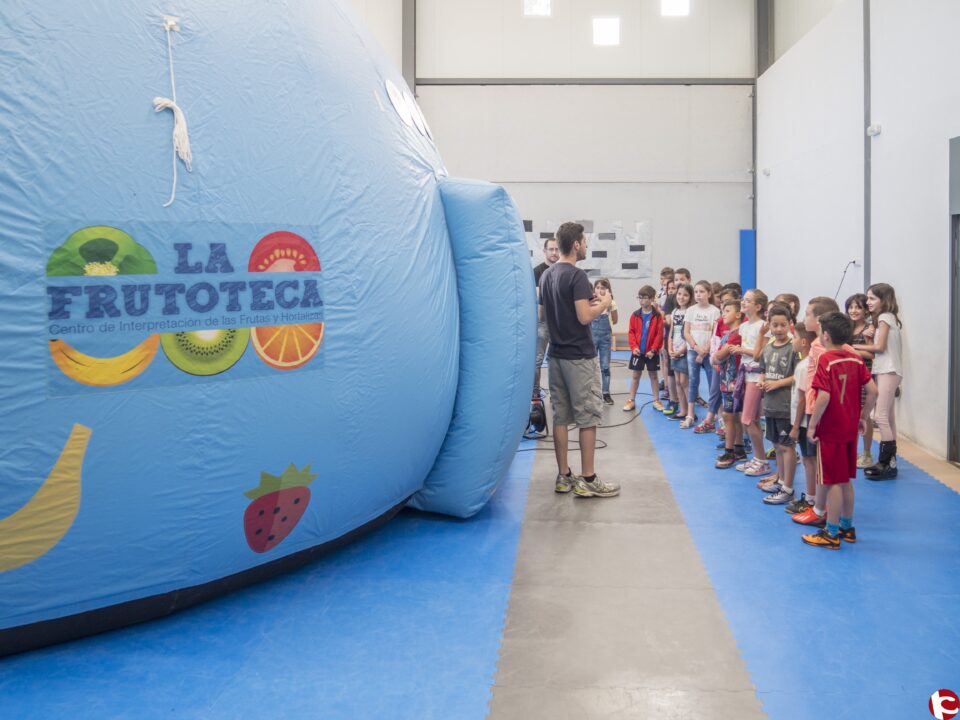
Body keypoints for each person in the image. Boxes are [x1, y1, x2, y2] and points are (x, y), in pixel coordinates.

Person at [539, 222, 620, 498]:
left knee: (561, 416)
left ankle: (564, 476)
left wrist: (590, 303)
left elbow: (542, 316)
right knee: (587, 417)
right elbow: (585, 316)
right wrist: (605, 303)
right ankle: (588, 478)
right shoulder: (576, 277)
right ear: (575, 244)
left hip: (557, 355)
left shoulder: (547, 276)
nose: (586, 246)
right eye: (584, 242)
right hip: (579, 357)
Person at [801, 312, 878, 549]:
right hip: (849, 428)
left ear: (825, 335)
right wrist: (862, 416)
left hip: (831, 429)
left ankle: (831, 533)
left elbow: (823, 396)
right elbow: (873, 391)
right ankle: (847, 527)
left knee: (832, 480)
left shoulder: (826, 359)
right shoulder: (855, 359)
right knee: (845, 480)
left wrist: (813, 424)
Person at [854, 283, 902, 480]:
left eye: (872, 298)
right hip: (887, 369)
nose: (868, 302)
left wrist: (850, 345)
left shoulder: (884, 317)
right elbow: (874, 350)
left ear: (884, 300)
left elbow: (880, 347)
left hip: (888, 370)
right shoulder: (888, 319)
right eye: (868, 298)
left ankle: (885, 462)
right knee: (888, 417)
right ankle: (890, 462)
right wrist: (866, 340)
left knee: (880, 416)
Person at [757, 305, 798, 501]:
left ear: (790, 325)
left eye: (783, 325)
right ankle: (781, 480)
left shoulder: (793, 349)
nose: (779, 329)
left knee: (786, 446)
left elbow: (798, 376)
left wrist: (777, 383)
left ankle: (788, 488)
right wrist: (762, 380)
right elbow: (763, 370)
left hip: (785, 406)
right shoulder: (768, 347)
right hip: (770, 405)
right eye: (775, 325)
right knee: (776, 444)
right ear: (769, 326)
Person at [778, 326, 817, 509]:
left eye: (794, 337)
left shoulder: (804, 366)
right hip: (804, 420)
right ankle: (812, 497)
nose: (791, 340)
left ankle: (811, 499)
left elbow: (802, 400)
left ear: (803, 342)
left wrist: (795, 426)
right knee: (809, 459)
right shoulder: (808, 363)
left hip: (802, 422)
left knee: (809, 460)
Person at [732, 289, 769, 476]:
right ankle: (757, 457)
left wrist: (741, 350)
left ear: (758, 306)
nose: (743, 302)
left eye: (748, 300)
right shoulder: (744, 326)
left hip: (756, 375)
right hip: (744, 375)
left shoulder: (764, 326)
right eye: (743, 300)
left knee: (747, 419)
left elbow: (760, 353)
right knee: (749, 418)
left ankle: (762, 459)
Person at [681, 280, 720, 430]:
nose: (698, 294)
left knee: (713, 382)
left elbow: (715, 333)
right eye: (696, 292)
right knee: (693, 381)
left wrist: (705, 351)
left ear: (709, 294)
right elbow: (686, 332)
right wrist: (696, 348)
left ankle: (713, 412)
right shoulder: (690, 310)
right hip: (693, 351)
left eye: (702, 291)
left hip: (709, 352)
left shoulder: (714, 311)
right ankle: (690, 414)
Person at [713, 299, 745, 468]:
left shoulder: (738, 334)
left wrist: (717, 356)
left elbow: (718, 356)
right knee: (732, 415)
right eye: (722, 311)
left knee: (728, 416)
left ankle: (729, 451)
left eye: (727, 311)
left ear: (738, 314)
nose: (723, 314)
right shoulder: (727, 334)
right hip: (726, 379)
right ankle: (739, 447)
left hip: (734, 381)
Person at [845, 293, 875, 467]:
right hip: (848, 376)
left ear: (865, 311)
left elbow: (871, 353)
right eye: (851, 307)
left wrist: (851, 349)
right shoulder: (847, 328)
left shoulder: (868, 330)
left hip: (864, 375)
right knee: (851, 414)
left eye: (858, 307)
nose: (854, 310)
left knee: (863, 415)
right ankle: (853, 451)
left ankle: (867, 453)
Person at [623, 285, 664, 413]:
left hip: (651, 352)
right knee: (635, 375)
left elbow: (659, 334)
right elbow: (631, 332)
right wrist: (634, 347)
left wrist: (653, 350)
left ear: (652, 299)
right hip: (638, 352)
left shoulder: (657, 316)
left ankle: (656, 400)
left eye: (645, 298)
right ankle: (631, 400)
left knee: (653, 376)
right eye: (639, 297)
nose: (641, 300)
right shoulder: (635, 315)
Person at [532, 237, 560, 400]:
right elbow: (540, 296)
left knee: (558, 361)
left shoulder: (563, 270)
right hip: (542, 322)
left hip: (559, 323)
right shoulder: (537, 271)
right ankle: (535, 391)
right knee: (537, 359)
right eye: (551, 249)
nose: (554, 252)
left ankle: (557, 392)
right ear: (545, 251)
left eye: (557, 249)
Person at [667, 283, 694, 422]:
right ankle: (682, 410)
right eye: (679, 294)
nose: (681, 297)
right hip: (675, 349)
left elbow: (690, 335)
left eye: (685, 295)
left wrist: (681, 351)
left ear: (690, 297)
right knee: (677, 381)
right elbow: (672, 331)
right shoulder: (675, 312)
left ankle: (690, 411)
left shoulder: (690, 312)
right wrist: (670, 348)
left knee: (684, 381)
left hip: (685, 350)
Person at [591, 277, 618, 405]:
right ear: (593, 289)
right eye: (597, 287)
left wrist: (611, 305)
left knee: (605, 366)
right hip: (591, 336)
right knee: (590, 365)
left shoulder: (610, 303)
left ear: (608, 290)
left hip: (605, 337)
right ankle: (591, 392)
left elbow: (615, 320)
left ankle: (606, 392)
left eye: (603, 288)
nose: (600, 290)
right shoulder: (590, 302)